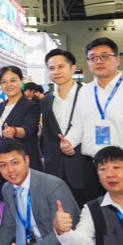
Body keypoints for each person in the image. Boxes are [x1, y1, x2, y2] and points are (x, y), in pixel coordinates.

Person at [61, 37, 123, 201]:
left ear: (117, 60)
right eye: (93, 58)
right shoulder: (85, 91)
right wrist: (69, 141)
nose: (98, 61)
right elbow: (78, 125)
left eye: (105, 56)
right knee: (96, 213)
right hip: (92, 166)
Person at [42, 49, 87, 206]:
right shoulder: (46, 100)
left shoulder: (87, 95)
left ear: (72, 68)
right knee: (58, 212)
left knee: (85, 212)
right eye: (51, 68)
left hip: (83, 167)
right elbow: (47, 137)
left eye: (61, 67)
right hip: (54, 168)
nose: (56, 71)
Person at [0, 66, 43, 184]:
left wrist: (14, 131)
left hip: (25, 162)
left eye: (13, 80)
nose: (8, 85)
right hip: (5, 165)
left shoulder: (31, 106)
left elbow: (28, 129)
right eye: (4, 82)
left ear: (21, 81)